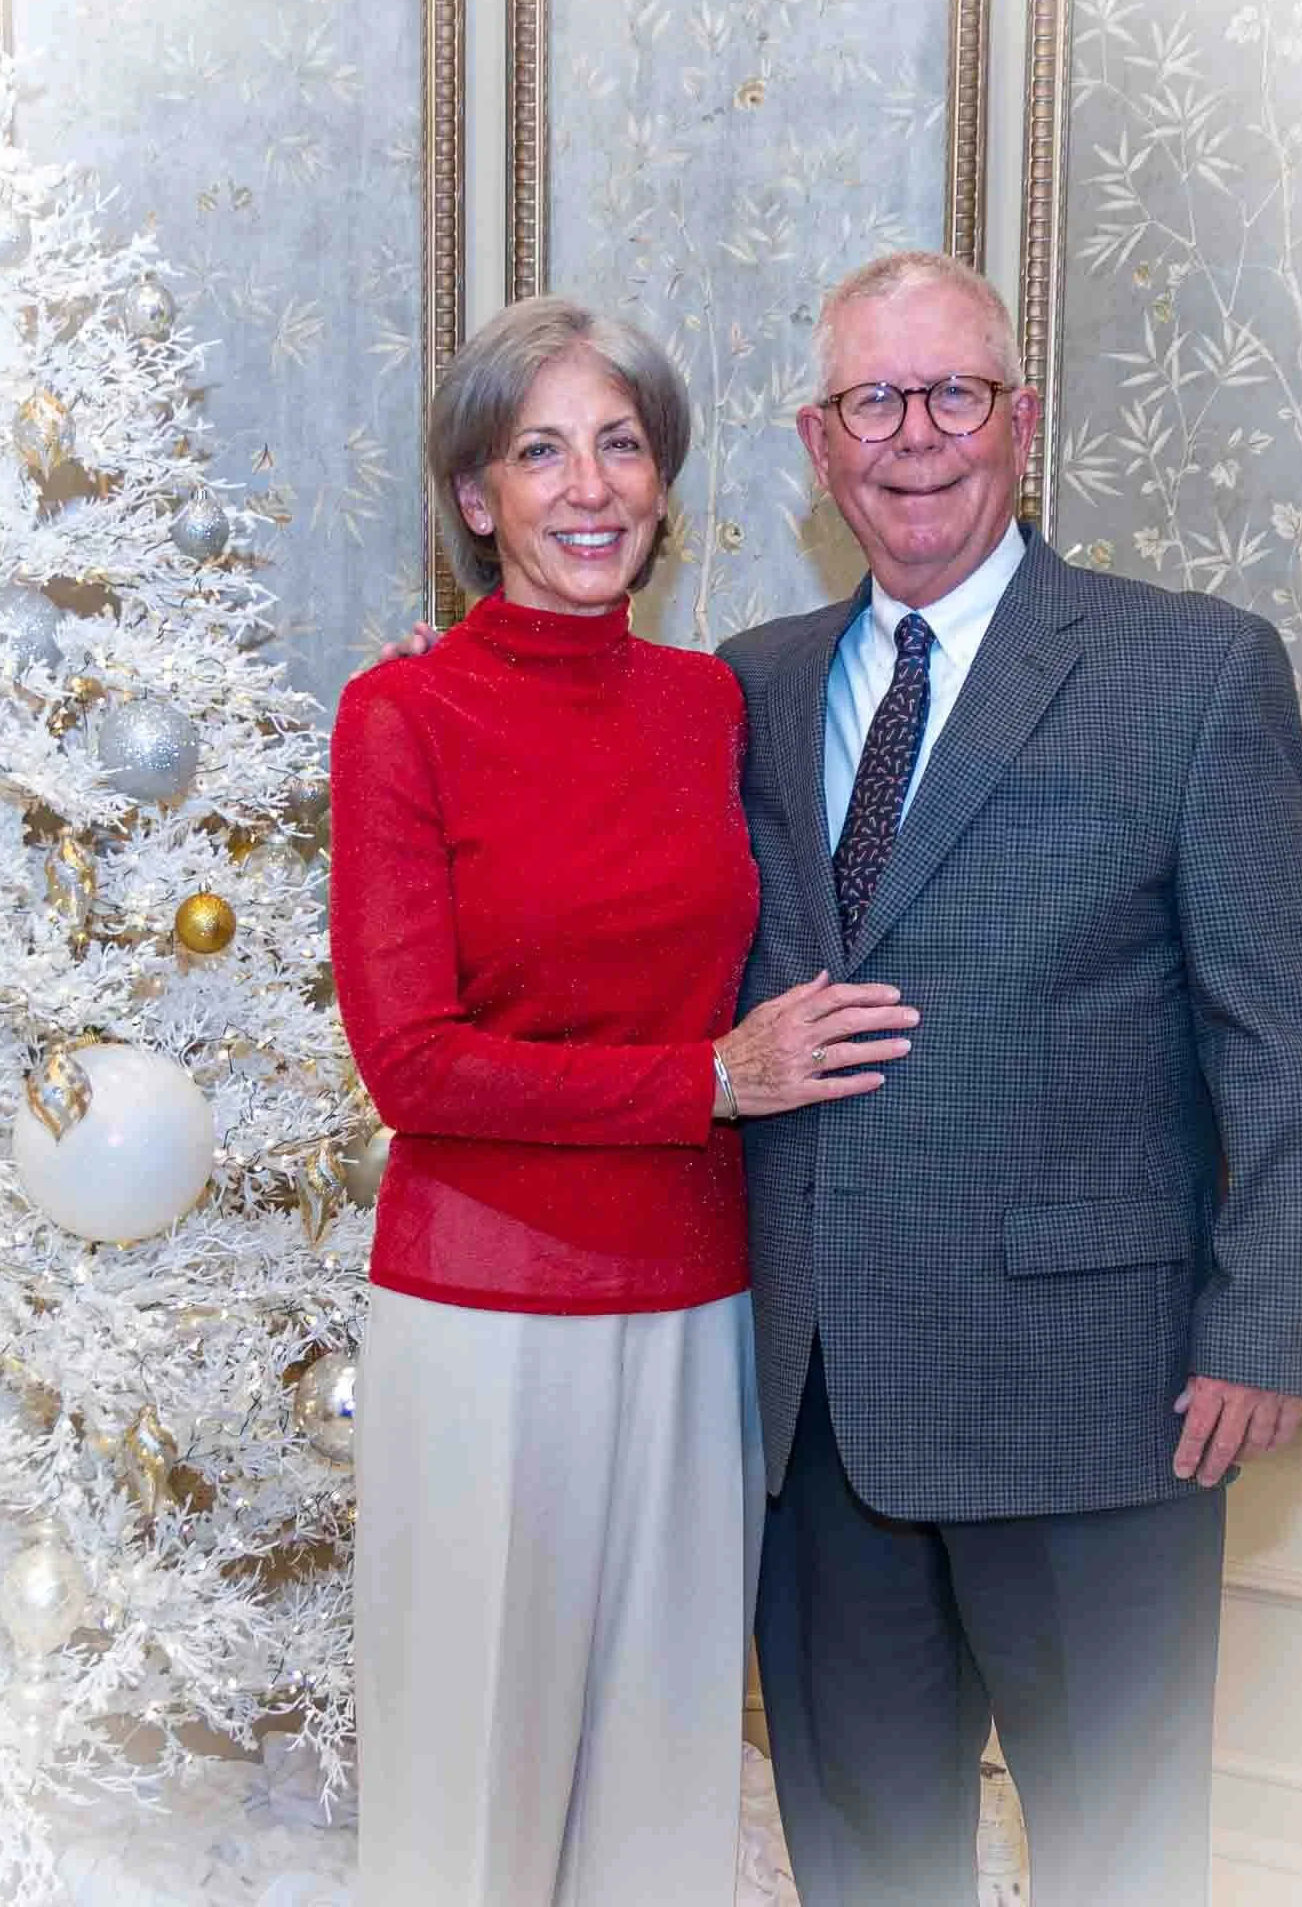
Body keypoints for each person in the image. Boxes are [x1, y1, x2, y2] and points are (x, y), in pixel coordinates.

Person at [715, 251, 1302, 1907]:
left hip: (1099, 1394)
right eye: (876, 398)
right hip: (824, 1400)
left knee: (1119, 1854)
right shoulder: (752, 683)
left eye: (956, 394)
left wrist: (1265, 1325)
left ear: (1024, 421)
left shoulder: (1190, 669)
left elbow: (1288, 1023)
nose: (915, 436)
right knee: (861, 1851)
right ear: (817, 440)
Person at [328, 293, 918, 1907]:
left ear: (662, 487)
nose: (587, 489)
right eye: (540, 453)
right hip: (481, 1309)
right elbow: (413, 1063)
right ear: (476, 496)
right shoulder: (404, 715)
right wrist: (709, 1082)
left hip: (700, 1305)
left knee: (665, 1782)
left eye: (622, 446)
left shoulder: (707, 707)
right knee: (473, 1785)